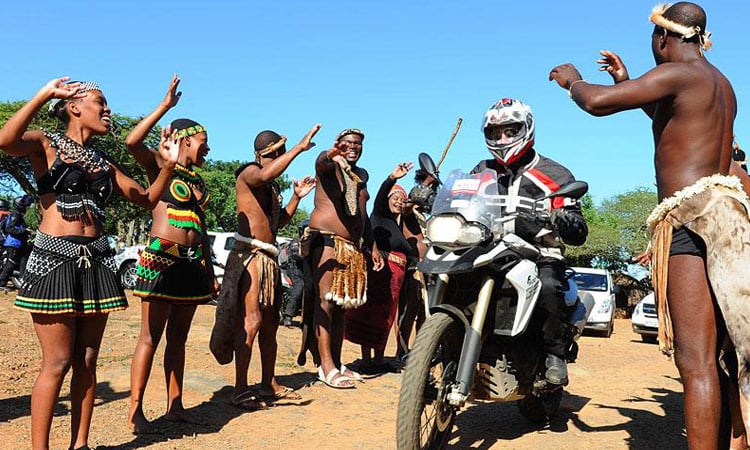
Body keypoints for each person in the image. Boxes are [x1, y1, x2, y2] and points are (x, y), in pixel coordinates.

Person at [549, 2, 749, 447]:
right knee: (720, 358)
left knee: (695, 362)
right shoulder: (720, 83)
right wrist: (627, 81)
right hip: (727, 222)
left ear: (663, 38)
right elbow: (677, 123)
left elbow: (597, 104)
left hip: (690, 222)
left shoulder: (679, 73)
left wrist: (573, 81)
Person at [0, 77, 178, 450]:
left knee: (87, 359)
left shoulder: (103, 162)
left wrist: (167, 167)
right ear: (74, 106)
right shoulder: (46, 143)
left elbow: (145, 199)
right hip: (54, 259)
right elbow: (5, 141)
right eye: (101, 102)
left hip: (97, 260)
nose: (108, 110)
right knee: (58, 360)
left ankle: (79, 445)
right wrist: (43, 94)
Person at [124, 75, 219, 433]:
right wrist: (165, 107)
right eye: (202, 142)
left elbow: (203, 226)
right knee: (150, 336)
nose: (207, 149)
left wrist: (209, 267)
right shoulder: (159, 166)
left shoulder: (197, 180)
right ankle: (136, 410)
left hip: (193, 262)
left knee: (178, 338)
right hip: (162, 257)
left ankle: (175, 405)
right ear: (183, 140)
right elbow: (131, 141)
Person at [472, 98, 588, 386]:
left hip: (538, 252)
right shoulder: (481, 171)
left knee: (548, 285)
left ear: (527, 128)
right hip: (490, 250)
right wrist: (429, 195)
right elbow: (460, 199)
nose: (502, 139)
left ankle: (554, 354)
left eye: (510, 131)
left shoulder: (555, 174)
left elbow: (577, 228)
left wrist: (568, 220)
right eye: (495, 133)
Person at [210, 126, 317, 410]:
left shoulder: (269, 187)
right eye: (281, 152)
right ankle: (240, 388)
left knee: (269, 326)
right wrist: (299, 148)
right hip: (251, 256)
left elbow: (277, 223)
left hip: (268, 259)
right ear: (272, 152)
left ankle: (268, 383)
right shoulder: (249, 174)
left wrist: (296, 197)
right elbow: (266, 173)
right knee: (252, 321)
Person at [297, 128, 384, 389]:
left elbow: (362, 216)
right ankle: (325, 367)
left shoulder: (360, 177)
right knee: (324, 302)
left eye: (357, 143)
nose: (352, 147)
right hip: (327, 240)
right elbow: (321, 163)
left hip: (351, 246)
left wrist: (373, 246)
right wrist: (329, 154)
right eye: (347, 143)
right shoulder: (330, 166)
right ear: (338, 145)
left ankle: (336, 360)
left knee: (340, 306)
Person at [344, 163, 414, 374]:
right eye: (395, 198)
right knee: (369, 313)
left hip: (394, 279)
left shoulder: (396, 225)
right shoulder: (380, 215)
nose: (399, 202)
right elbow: (382, 194)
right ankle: (367, 361)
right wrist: (392, 178)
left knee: (385, 317)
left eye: (402, 200)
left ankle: (379, 359)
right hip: (380, 274)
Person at [396, 162, 441, 360]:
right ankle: (402, 351)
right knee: (410, 309)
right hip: (413, 267)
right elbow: (408, 205)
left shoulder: (426, 216)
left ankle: (422, 353)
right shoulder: (407, 210)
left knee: (426, 312)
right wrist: (427, 181)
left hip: (428, 267)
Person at [0, 194, 32, 290]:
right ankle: (1, 283)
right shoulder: (15, 215)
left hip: (19, 243)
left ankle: (22, 277)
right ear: (20, 205)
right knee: (11, 263)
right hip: (13, 243)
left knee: (23, 259)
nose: (27, 207)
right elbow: (10, 228)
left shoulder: (18, 215)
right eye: (25, 205)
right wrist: (24, 231)